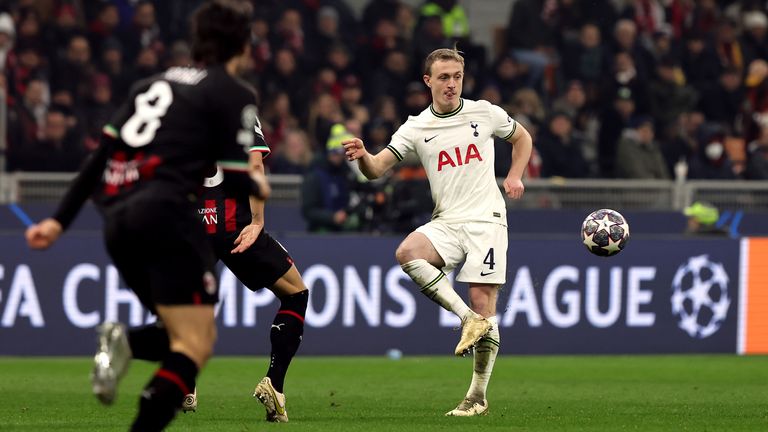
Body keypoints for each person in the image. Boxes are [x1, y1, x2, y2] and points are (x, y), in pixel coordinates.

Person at [25, 2, 270, 430]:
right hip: (169, 216)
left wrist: (58, 220)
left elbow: (100, 156)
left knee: (184, 336)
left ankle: (127, 343)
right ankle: (124, 342)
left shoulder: (148, 84)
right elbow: (237, 168)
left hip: (118, 220)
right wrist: (258, 189)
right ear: (242, 44)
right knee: (197, 342)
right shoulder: (234, 92)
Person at [343, 47, 533, 417]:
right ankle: (468, 320)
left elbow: (522, 138)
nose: (451, 84)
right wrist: (364, 154)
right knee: (407, 252)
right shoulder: (416, 126)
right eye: (444, 77)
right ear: (428, 81)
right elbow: (376, 169)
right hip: (446, 219)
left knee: (483, 299)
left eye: (457, 76)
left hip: (486, 219)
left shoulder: (485, 112)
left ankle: (477, 396)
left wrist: (513, 176)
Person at [178, 159, 308, 422]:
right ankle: (275, 384)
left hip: (193, 221)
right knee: (295, 294)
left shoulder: (177, 116)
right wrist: (258, 220)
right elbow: (254, 166)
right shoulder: (243, 117)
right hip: (235, 225)